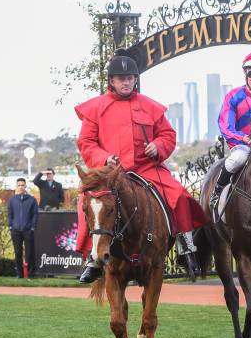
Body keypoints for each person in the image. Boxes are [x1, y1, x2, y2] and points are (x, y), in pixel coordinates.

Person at [75, 48, 207, 283]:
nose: (126, 82)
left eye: (130, 78)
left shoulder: (150, 106)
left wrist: (157, 146)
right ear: (111, 81)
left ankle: (186, 247)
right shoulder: (95, 108)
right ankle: (93, 259)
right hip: (110, 172)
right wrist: (104, 158)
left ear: (135, 80)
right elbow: (86, 142)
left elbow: (168, 134)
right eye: (121, 79)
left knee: (179, 195)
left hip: (147, 168)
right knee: (88, 200)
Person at [209, 50, 251, 209]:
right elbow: (226, 126)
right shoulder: (233, 96)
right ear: (245, 73)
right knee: (237, 159)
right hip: (241, 146)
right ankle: (216, 192)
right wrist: (244, 138)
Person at [8, 178, 39, 278]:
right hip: (16, 230)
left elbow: (35, 214)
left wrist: (33, 227)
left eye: (22, 185)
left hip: (28, 230)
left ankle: (31, 274)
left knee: (29, 253)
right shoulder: (12, 200)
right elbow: (10, 214)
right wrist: (11, 226)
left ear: (25, 186)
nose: (21, 187)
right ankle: (19, 274)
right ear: (16, 187)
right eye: (19, 185)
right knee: (17, 253)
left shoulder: (32, 200)